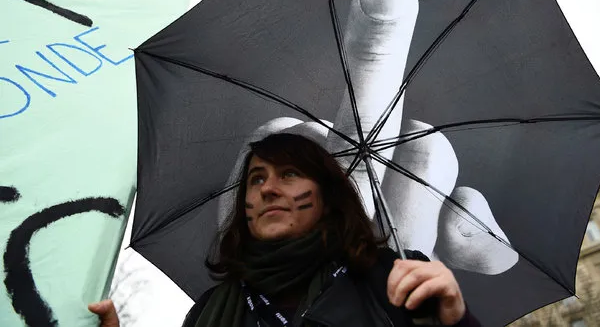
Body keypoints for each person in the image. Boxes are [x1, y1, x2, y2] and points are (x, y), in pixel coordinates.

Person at [90, 133, 480, 326]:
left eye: (289, 174)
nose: (269, 189)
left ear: (327, 196)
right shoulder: (211, 311)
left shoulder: (394, 283)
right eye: (256, 180)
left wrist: (454, 319)